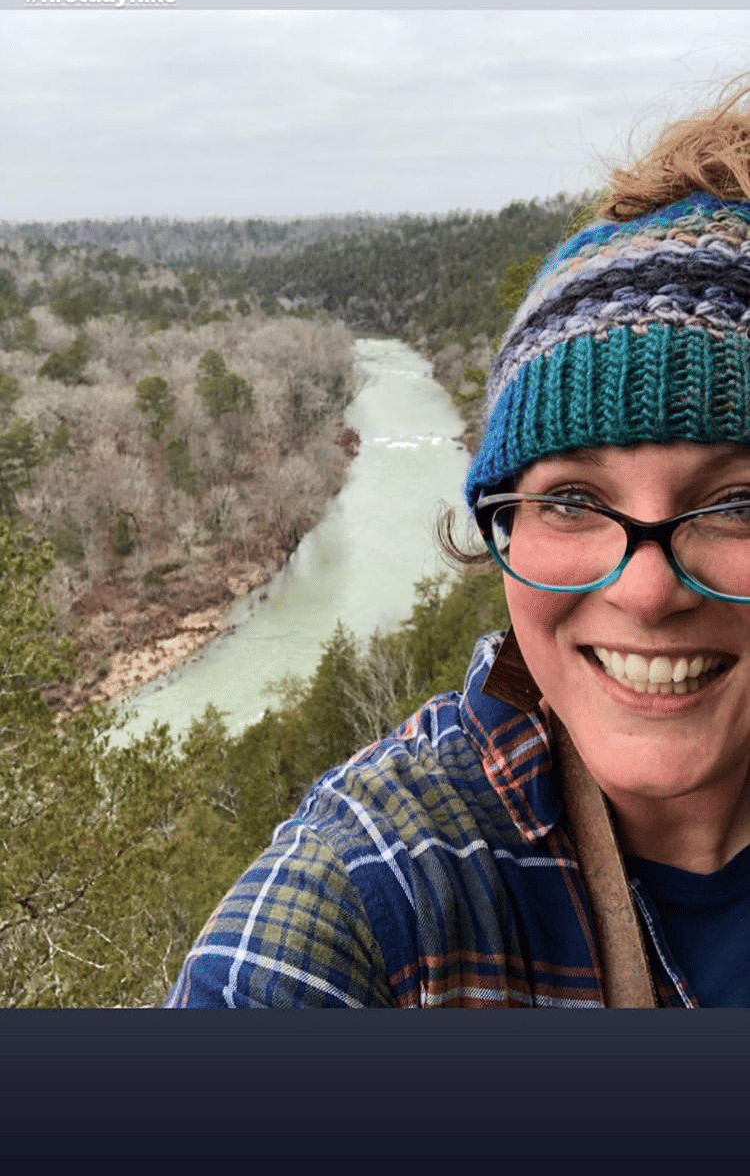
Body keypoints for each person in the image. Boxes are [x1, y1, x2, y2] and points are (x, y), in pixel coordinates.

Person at [166, 89, 750, 1008]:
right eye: (570, 499)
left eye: (736, 503)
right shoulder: (378, 893)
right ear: (500, 526)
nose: (646, 590)